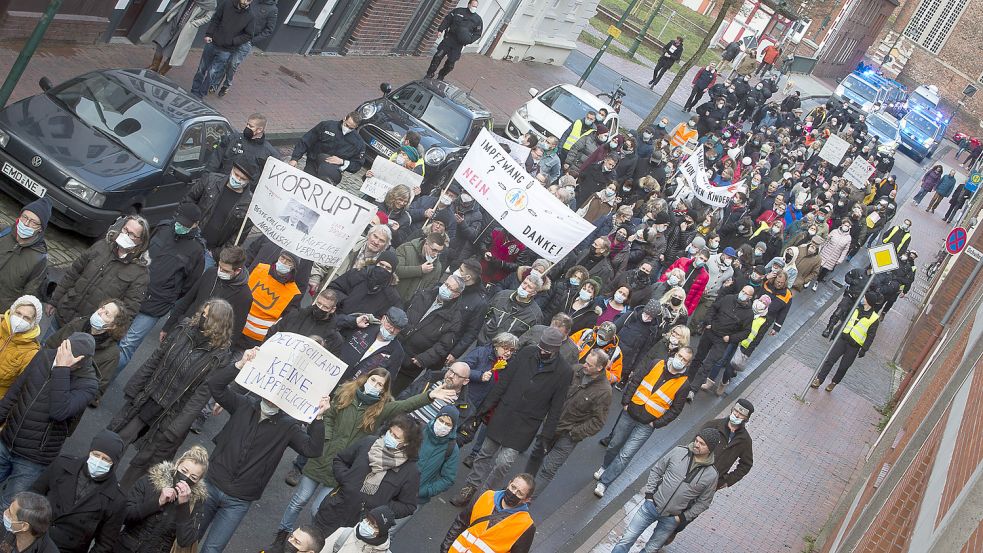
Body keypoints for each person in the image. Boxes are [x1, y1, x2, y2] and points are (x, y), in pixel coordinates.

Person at [271, 368, 453, 546]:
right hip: (323, 457)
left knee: (318, 509)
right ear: (366, 379)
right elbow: (329, 416)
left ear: (384, 389)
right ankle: (283, 535)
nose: (375, 385)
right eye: (373, 380)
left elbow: (405, 405)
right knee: (299, 500)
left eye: (380, 384)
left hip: (346, 468)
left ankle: (312, 539)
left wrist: (428, 396)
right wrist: (326, 440)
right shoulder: (346, 393)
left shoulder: (381, 409)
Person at [197, 349, 330, 553]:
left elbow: (312, 449)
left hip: (239, 500)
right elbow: (215, 385)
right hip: (211, 484)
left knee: (212, 550)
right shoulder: (243, 404)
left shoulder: (288, 426)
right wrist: (239, 365)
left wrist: (318, 418)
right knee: (187, 538)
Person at [109, 299, 234, 487]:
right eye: (203, 312)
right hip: (149, 396)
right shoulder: (184, 328)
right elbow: (156, 357)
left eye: (207, 317)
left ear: (218, 324)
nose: (202, 317)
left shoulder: (219, 357)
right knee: (117, 439)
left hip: (172, 414)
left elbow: (200, 396)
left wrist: (176, 429)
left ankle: (123, 497)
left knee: (145, 463)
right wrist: (134, 389)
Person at [451, 328, 572, 507]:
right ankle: (470, 486)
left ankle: (485, 497)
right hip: (504, 413)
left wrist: (546, 435)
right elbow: (504, 381)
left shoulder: (564, 372)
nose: (542, 352)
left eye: (547, 350)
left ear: (556, 349)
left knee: (503, 463)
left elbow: (556, 406)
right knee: (484, 454)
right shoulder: (527, 353)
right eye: (541, 348)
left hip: (525, 424)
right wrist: (487, 407)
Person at [0, 333, 98, 508]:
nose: (59, 354)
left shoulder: (89, 384)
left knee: (8, 506)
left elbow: (59, 412)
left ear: (81, 360)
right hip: (7, 440)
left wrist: (62, 369)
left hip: (33, 458)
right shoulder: (45, 356)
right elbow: (16, 390)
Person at [594, 347, 693, 497]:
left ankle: (604, 483)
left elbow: (675, 410)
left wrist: (656, 423)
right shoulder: (656, 364)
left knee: (626, 455)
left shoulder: (684, 384)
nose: (681, 360)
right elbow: (636, 380)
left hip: (647, 424)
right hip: (630, 413)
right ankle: (605, 466)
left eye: (685, 360)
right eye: (680, 356)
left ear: (688, 363)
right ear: (675, 354)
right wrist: (626, 402)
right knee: (614, 444)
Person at [117, 203, 205, 372]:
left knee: (127, 345)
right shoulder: (164, 227)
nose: (180, 227)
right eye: (179, 222)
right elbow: (142, 250)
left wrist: (168, 293)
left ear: (196, 224)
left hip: (155, 305)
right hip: (131, 292)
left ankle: (101, 386)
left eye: (186, 225)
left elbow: (188, 286)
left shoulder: (196, 251)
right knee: (111, 333)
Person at [609, 428, 721, 553]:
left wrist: (682, 517)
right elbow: (657, 470)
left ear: (710, 449)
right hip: (651, 506)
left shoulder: (711, 475)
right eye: (697, 440)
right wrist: (649, 495)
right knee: (627, 539)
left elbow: (704, 502)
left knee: (651, 549)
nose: (696, 444)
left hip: (671, 518)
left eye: (702, 444)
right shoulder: (678, 452)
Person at [311, 415, 422, 540]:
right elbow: (340, 459)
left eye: (396, 437)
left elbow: (408, 506)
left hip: (363, 525)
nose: (390, 436)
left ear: (406, 443)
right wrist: (346, 479)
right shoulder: (368, 443)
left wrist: (382, 506)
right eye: (390, 432)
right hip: (335, 510)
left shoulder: (410, 471)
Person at [47, 215, 150, 341]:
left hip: (86, 332)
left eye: (132, 234)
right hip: (64, 313)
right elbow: (73, 273)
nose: (126, 235)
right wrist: (55, 300)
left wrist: (106, 339)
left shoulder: (140, 274)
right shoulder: (101, 246)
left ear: (140, 242)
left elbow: (127, 313)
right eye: (125, 230)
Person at [527, 349, 611, 495]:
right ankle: (521, 489)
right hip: (551, 424)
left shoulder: (604, 392)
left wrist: (574, 433)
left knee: (548, 470)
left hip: (568, 436)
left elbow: (598, 422)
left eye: (589, 365)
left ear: (600, 368)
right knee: (536, 456)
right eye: (586, 361)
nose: (585, 366)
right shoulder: (576, 370)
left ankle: (526, 501)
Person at [30, 429, 126, 553]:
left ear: (114, 463)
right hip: (35, 536)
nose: (99, 461)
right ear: (90, 451)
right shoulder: (62, 464)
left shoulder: (117, 499)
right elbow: (34, 493)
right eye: (96, 455)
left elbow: (104, 544)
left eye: (106, 459)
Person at [115, 445, 210, 553]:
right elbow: (124, 515)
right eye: (184, 471)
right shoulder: (151, 481)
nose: (186, 478)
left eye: (193, 477)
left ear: (198, 481)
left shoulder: (196, 502)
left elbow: (185, 541)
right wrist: (158, 502)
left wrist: (184, 506)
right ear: (177, 464)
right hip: (125, 547)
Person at [46, 298, 128, 406]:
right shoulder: (77, 323)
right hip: (45, 378)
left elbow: (97, 389)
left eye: (106, 314)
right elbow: (50, 345)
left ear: (113, 326)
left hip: (65, 398)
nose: (99, 312)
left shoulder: (112, 354)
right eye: (102, 308)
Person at [162, 245, 252, 343]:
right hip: (182, 329)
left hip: (204, 344)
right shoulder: (211, 273)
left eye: (225, 271)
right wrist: (167, 327)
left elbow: (234, 330)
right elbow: (187, 300)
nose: (220, 272)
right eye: (219, 267)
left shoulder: (244, 296)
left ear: (237, 271)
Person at [441, 474, 536, 553]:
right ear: (509, 483)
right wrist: (445, 549)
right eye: (513, 487)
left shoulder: (526, 526)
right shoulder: (486, 496)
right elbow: (460, 523)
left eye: (519, 493)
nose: (513, 493)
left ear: (526, 500)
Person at [812, 291, 882, 392]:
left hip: (854, 346)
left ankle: (834, 382)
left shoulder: (874, 318)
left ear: (868, 301)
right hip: (843, 339)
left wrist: (864, 349)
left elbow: (871, 336)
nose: (862, 298)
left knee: (843, 367)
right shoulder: (855, 309)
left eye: (864, 297)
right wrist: (836, 332)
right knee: (830, 360)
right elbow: (845, 322)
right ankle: (819, 379)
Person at [690, 287, 754, 396]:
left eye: (746, 293)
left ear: (750, 297)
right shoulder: (728, 298)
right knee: (698, 357)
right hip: (710, 332)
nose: (743, 294)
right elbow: (713, 308)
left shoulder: (748, 314)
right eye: (742, 291)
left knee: (708, 364)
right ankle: (687, 379)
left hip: (722, 341)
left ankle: (693, 389)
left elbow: (745, 332)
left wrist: (731, 338)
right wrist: (708, 322)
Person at [183, 162, 255, 255]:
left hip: (209, 252)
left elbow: (238, 237)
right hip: (188, 237)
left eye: (243, 179)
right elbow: (188, 200)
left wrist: (217, 254)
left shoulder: (248, 205)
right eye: (236, 175)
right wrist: (183, 225)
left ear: (248, 181)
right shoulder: (211, 180)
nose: (238, 179)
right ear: (232, 170)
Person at [189, 0, 255, 99]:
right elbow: (216, 19)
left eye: (249, 1)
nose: (246, 2)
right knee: (201, 69)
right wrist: (209, 34)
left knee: (212, 73)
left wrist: (233, 41)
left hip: (227, 50)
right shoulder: (227, 4)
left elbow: (248, 35)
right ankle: (194, 91)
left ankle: (200, 95)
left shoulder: (250, 16)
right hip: (212, 43)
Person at [212, 0, 277, 97]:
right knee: (225, 60)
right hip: (235, 36)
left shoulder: (273, 9)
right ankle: (214, 84)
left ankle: (226, 85)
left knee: (232, 64)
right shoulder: (252, 2)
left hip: (247, 42)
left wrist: (252, 40)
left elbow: (269, 30)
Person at [241, 250, 303, 348]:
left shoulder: (294, 293)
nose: (284, 262)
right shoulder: (259, 268)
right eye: (282, 258)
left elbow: (284, 320)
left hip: (256, 340)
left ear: (293, 267)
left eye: (289, 261)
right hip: (236, 323)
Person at [0, 198, 50, 311]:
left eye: (33, 222)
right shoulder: (2, 232)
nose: (26, 224)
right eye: (25, 217)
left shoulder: (39, 259)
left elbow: (28, 297)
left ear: (40, 229)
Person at [142, 0, 217, 76]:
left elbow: (207, 17)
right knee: (160, 43)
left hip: (185, 31)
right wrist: (172, 12)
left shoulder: (211, 3)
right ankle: (154, 67)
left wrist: (194, 23)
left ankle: (161, 73)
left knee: (175, 53)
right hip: (174, 23)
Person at [290, 112, 366, 184]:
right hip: (313, 162)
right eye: (346, 125)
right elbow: (306, 140)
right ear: (344, 119)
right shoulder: (326, 126)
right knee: (305, 183)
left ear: (356, 127)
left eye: (351, 128)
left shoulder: (358, 143)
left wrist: (342, 161)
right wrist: (295, 158)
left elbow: (357, 164)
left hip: (331, 171)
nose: (347, 128)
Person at [337, 307, 408, 381]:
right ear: (383, 319)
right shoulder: (365, 326)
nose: (392, 330)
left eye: (397, 328)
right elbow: (335, 324)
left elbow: (388, 380)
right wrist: (354, 321)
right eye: (390, 324)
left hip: (353, 387)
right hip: (335, 371)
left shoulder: (397, 352)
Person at [397, 363, 473, 428]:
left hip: (420, 439)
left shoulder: (464, 406)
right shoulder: (430, 379)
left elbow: (459, 436)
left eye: (457, 375)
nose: (451, 376)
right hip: (400, 423)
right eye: (451, 371)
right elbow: (406, 394)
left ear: (465, 381)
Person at [267, 288, 344, 352]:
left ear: (332, 309)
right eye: (319, 303)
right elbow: (272, 333)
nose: (320, 308)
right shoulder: (295, 315)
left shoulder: (334, 338)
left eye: (325, 307)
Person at [477, 273, 544, 345]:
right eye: (524, 283)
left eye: (529, 287)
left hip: (503, 350)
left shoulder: (535, 315)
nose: (524, 287)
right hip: (482, 340)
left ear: (534, 293)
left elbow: (527, 339)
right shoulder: (502, 295)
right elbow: (484, 314)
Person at [425, 0, 483, 80]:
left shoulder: (478, 20)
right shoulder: (458, 11)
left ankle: (441, 76)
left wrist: (469, 40)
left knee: (450, 65)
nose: (474, 8)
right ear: (469, 4)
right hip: (449, 39)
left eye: (476, 6)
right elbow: (447, 20)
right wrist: (440, 30)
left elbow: (478, 34)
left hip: (458, 44)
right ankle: (429, 74)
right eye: (473, 5)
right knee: (437, 56)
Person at [206, 113, 281, 174]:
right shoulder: (232, 139)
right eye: (247, 124)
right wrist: (207, 176)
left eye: (251, 126)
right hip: (221, 184)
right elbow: (215, 159)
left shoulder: (268, 152)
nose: (247, 127)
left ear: (259, 130)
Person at [0, 295, 41, 398]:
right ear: (12, 311)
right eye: (18, 313)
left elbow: (19, 387)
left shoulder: (31, 352)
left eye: (26, 318)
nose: (20, 320)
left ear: (33, 323)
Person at [394, 233, 447, 300]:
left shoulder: (437, 266)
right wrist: (420, 269)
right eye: (434, 250)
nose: (435, 254)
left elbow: (429, 289)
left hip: (410, 304)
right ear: (426, 244)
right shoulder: (406, 248)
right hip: (393, 295)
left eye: (439, 252)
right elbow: (396, 270)